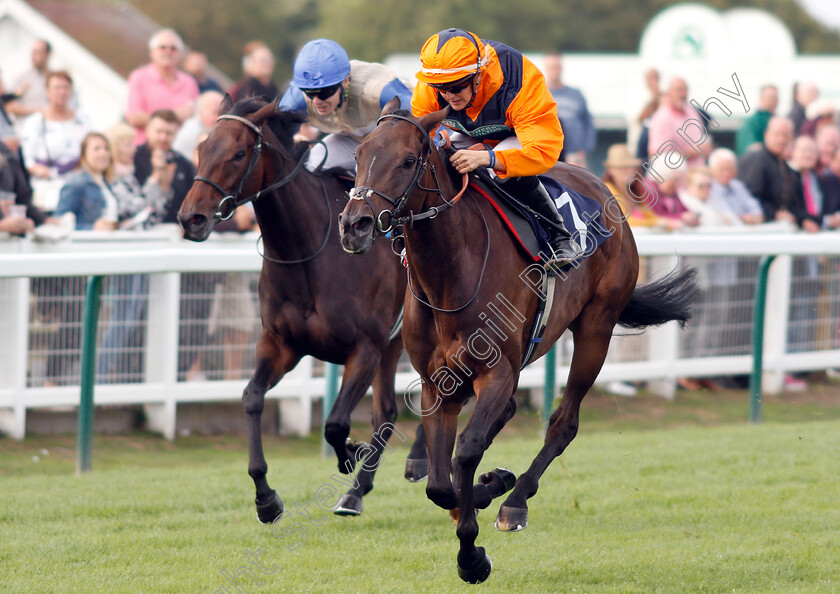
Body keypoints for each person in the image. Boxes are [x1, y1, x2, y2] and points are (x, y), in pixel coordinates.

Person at [411, 28, 579, 265]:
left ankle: (560, 236)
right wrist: (440, 142)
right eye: (442, 89)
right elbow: (421, 134)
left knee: (497, 172)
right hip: (466, 132)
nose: (449, 95)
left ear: (478, 75)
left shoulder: (520, 79)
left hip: (519, 135)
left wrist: (488, 158)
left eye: (457, 87)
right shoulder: (431, 85)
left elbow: (542, 151)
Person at [278, 38, 412, 173]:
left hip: (390, 141)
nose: (317, 101)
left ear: (345, 82)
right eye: (310, 93)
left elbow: (419, 116)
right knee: (315, 161)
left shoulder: (375, 88)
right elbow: (276, 134)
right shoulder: (297, 97)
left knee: (366, 168)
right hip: (352, 139)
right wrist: (291, 139)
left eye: (324, 92)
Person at [19, 70, 92, 213]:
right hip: (46, 188)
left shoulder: (83, 119)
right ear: (47, 91)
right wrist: (38, 169)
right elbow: (27, 158)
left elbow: (92, 146)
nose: (62, 92)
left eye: (66, 87)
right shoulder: (35, 122)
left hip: (77, 183)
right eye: (57, 88)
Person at [739, 117, 819, 232]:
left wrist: (804, 220)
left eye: (785, 136)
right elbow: (749, 197)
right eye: (777, 135)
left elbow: (795, 204)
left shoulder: (788, 168)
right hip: (759, 231)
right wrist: (774, 214)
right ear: (767, 135)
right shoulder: (756, 160)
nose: (781, 140)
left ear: (791, 138)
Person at [125, 29, 199, 145]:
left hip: (178, 151)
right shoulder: (139, 78)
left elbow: (196, 119)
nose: (168, 52)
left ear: (180, 54)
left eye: (173, 49)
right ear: (152, 52)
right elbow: (134, 118)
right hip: (144, 149)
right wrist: (175, 115)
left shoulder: (190, 83)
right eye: (162, 47)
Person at [134, 109, 195, 224]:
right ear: (148, 130)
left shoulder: (184, 165)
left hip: (175, 231)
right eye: (159, 132)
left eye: (169, 133)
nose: (163, 138)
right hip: (139, 232)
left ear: (177, 133)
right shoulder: (133, 158)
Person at [50, 132, 118, 230]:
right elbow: (58, 222)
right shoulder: (76, 182)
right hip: (86, 243)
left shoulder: (107, 183)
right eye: (96, 149)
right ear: (84, 153)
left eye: (106, 149)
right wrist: (92, 228)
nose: (103, 153)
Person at [543, 52, 595, 168]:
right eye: (552, 67)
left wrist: (584, 148)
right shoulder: (540, 94)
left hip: (575, 154)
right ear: (546, 69)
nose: (555, 71)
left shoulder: (576, 94)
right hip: (550, 154)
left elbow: (588, 123)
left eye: (557, 67)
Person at [647, 77, 707, 166]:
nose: (683, 94)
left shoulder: (692, 111)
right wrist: (694, 152)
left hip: (698, 172)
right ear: (669, 93)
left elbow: (701, 142)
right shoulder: (662, 118)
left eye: (685, 89)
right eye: (679, 90)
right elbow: (658, 157)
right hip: (676, 176)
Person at [707, 148, 764, 225]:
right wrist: (743, 218)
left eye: (729, 169)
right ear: (711, 170)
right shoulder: (707, 188)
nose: (726, 173)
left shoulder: (738, 185)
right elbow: (726, 216)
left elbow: (754, 208)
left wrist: (754, 217)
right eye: (722, 169)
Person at [6, 39, 51, 119]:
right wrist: (41, 111)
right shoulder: (21, 79)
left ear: (48, 54)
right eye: (33, 52)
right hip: (25, 128)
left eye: (39, 52)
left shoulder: (55, 79)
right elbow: (10, 106)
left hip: (51, 128)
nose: (34, 56)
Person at [172, 90, 223, 158]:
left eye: (222, 114)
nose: (219, 118)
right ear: (202, 111)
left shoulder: (216, 129)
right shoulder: (191, 130)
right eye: (215, 113)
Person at [735, 85, 777, 156]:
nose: (774, 100)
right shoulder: (751, 122)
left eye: (776, 97)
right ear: (761, 98)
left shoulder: (777, 120)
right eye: (771, 97)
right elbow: (750, 147)